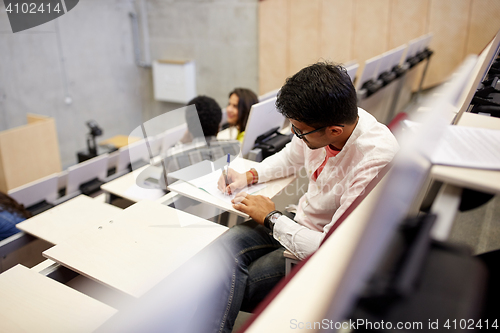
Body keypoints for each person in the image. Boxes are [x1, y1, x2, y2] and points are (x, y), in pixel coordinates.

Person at [209, 62, 400, 332]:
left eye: (299, 131)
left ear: (334, 130)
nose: (296, 135)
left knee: (229, 284)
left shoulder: (375, 158)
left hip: (321, 245)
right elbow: (291, 156)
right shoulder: (327, 120)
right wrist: (249, 175)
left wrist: (271, 218)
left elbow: (330, 248)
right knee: (220, 255)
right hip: (298, 220)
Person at [159, 95, 241, 189]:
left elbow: (164, 187)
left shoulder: (173, 156)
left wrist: (181, 142)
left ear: (189, 127)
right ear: (219, 126)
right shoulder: (237, 146)